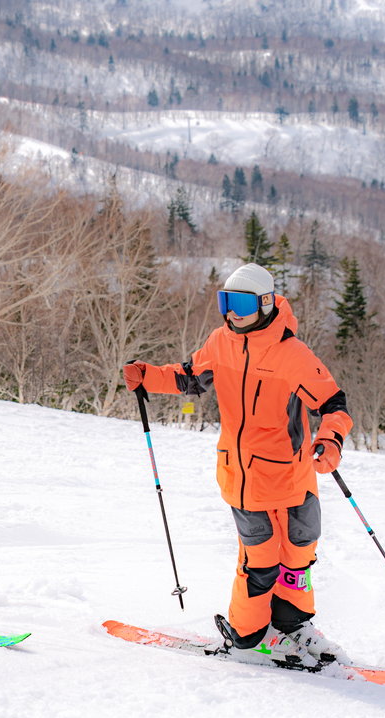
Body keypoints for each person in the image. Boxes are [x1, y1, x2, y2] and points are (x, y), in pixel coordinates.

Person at [123, 263, 354, 666]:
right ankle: (247, 636)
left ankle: (292, 628)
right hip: (243, 476)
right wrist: (147, 376)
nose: (232, 313)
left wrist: (330, 440)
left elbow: (334, 406)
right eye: (225, 302)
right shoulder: (221, 342)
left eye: (242, 303)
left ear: (265, 304)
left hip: (294, 475)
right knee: (261, 557)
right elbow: (188, 377)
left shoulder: (293, 355)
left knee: (299, 554)